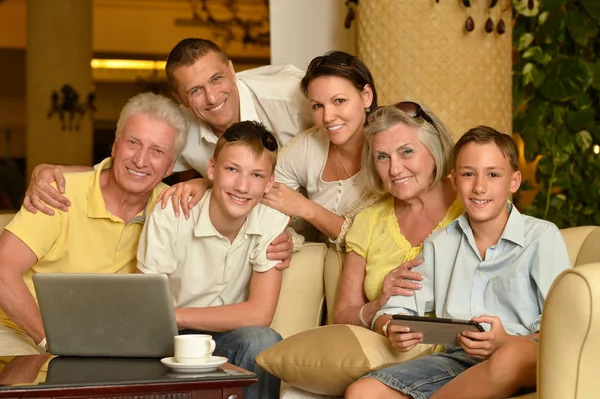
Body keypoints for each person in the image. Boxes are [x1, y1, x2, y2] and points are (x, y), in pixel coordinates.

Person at [22, 37, 310, 266]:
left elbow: (345, 132)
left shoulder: (290, 96)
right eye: (195, 90)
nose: (211, 97)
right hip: (263, 226)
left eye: (216, 79)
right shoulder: (181, 128)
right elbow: (129, 167)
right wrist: (52, 171)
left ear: (232, 70)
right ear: (180, 98)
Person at [345, 126, 572, 399]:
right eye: (468, 174)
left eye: (493, 174)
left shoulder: (541, 237)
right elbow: (398, 307)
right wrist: (389, 325)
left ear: (514, 181)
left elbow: (562, 326)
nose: (479, 187)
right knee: (361, 392)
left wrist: (504, 340)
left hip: (523, 352)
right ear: (454, 181)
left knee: (510, 356)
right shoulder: (439, 245)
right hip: (458, 360)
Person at [0, 93, 188, 351]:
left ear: (170, 167)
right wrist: (52, 341)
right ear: (115, 146)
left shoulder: (171, 208)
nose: (141, 160)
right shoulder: (58, 193)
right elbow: (2, 270)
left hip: (106, 340)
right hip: (23, 332)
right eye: (133, 142)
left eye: (157, 151)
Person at [137, 121, 289, 399]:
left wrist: (176, 313)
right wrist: (172, 321)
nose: (242, 186)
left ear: (269, 183)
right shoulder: (171, 213)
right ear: (211, 170)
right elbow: (146, 308)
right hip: (169, 340)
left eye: (256, 175)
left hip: (223, 338)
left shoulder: (272, 220)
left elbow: (259, 315)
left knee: (263, 340)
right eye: (232, 170)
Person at [334, 102, 462, 331]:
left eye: (406, 152)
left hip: (459, 352)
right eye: (382, 157)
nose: (394, 169)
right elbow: (343, 314)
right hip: (387, 349)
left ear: (435, 151)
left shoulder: (474, 204)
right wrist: (378, 304)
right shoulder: (369, 220)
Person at [262, 51, 377, 250]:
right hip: (320, 263)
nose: (328, 117)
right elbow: (262, 198)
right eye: (318, 106)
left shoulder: (389, 150)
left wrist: (308, 209)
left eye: (339, 101)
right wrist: (287, 237)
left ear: (366, 96)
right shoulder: (309, 145)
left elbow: (376, 241)